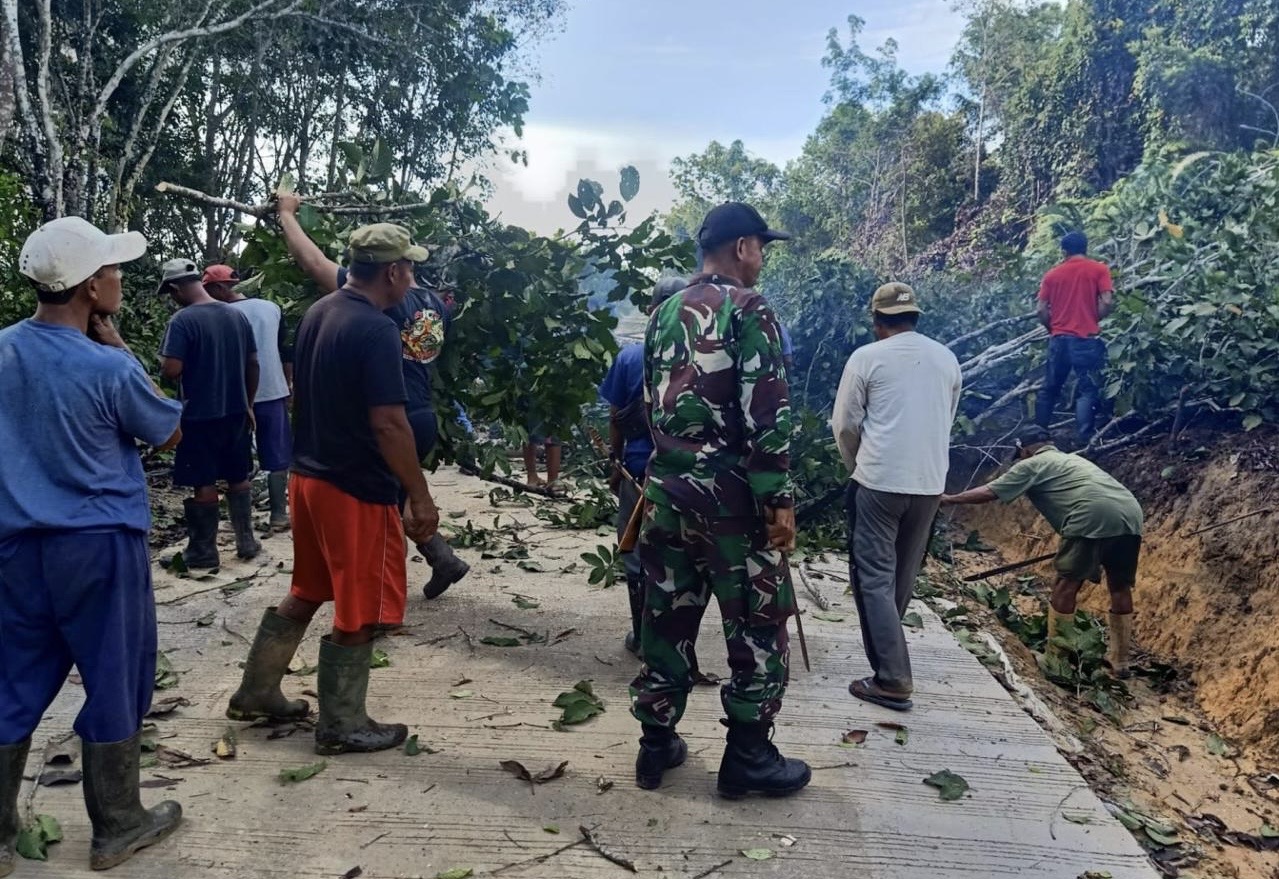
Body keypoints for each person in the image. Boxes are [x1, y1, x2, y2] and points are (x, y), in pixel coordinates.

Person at [1, 217, 184, 873]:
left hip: (18, 547)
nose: (119, 277)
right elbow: (169, 434)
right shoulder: (108, 367)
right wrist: (122, 350)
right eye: (111, 269)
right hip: (99, 545)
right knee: (115, 675)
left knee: (13, 677)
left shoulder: (2, 351)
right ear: (87, 287)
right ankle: (118, 823)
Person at [226, 223, 440, 755]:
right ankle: (342, 723)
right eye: (409, 267)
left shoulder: (321, 311)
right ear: (392, 271)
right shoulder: (375, 330)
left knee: (308, 588)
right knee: (358, 609)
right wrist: (419, 494)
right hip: (352, 487)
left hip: (309, 479)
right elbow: (390, 423)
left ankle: (256, 691)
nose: (412, 277)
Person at [630, 202, 810, 799]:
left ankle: (656, 745)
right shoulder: (750, 308)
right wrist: (777, 498)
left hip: (666, 495)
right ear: (741, 248)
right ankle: (749, 757)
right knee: (758, 626)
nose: (764, 257)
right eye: (763, 245)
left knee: (667, 615)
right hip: (731, 505)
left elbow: (649, 406)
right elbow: (769, 411)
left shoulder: (662, 313)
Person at [274, 194, 469, 599]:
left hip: (391, 416)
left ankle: (377, 600)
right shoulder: (435, 305)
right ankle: (442, 560)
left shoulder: (381, 307)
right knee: (394, 504)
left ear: (392, 273)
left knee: (380, 510)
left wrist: (286, 215)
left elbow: (312, 262)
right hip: (421, 415)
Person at [832, 282, 962, 712]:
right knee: (902, 575)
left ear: (876, 321)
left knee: (873, 577)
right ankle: (891, 659)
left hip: (880, 482)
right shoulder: (947, 358)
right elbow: (947, 417)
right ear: (915, 316)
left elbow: (845, 425)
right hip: (929, 483)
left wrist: (858, 468)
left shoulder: (867, 357)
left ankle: (891, 677)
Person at [940, 425, 1143, 677]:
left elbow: (991, 491)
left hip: (1090, 515)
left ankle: (1055, 661)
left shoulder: (1030, 464)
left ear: (1024, 450)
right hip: (1131, 515)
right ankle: (1121, 661)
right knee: (1119, 586)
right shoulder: (1072, 460)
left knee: (1065, 585)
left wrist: (949, 499)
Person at [599, 276, 687, 656]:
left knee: (635, 553)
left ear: (652, 310)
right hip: (688, 474)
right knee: (681, 556)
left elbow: (617, 417)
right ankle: (676, 638)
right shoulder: (700, 356)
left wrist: (615, 465)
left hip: (637, 471)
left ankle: (643, 635)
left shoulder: (631, 357)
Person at [158, 261, 261, 567]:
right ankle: (246, 542)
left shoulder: (183, 320)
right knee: (238, 475)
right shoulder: (236, 315)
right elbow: (253, 363)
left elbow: (171, 369)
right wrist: (249, 404)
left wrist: (169, 365)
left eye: (171, 294)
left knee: (203, 481)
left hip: (199, 415)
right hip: (235, 411)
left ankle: (203, 551)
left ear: (176, 289)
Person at [204, 266, 294, 532]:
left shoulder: (218, 314)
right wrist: (288, 385)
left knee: (237, 455)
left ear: (219, 288)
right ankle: (279, 515)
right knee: (277, 454)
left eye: (208, 289)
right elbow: (286, 350)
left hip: (235, 397)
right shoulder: (272, 308)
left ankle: (238, 522)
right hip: (274, 391)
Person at [1035, 231, 1114, 442]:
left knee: (1049, 388)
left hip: (1058, 340)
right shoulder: (1099, 269)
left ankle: (1038, 435)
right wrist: (1092, 319)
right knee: (1088, 389)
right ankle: (1085, 438)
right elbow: (1106, 302)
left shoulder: (1052, 275)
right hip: (1086, 339)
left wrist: (1053, 329)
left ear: (1064, 251)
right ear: (1086, 248)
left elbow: (1041, 310)